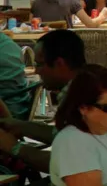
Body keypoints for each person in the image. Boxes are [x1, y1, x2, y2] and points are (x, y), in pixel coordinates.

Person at [0, 28, 86, 170]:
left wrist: (15, 148)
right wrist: (19, 126)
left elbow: (65, 166)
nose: (35, 71)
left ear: (59, 64)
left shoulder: (83, 98)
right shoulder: (86, 82)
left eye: (39, 64)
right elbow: (61, 134)